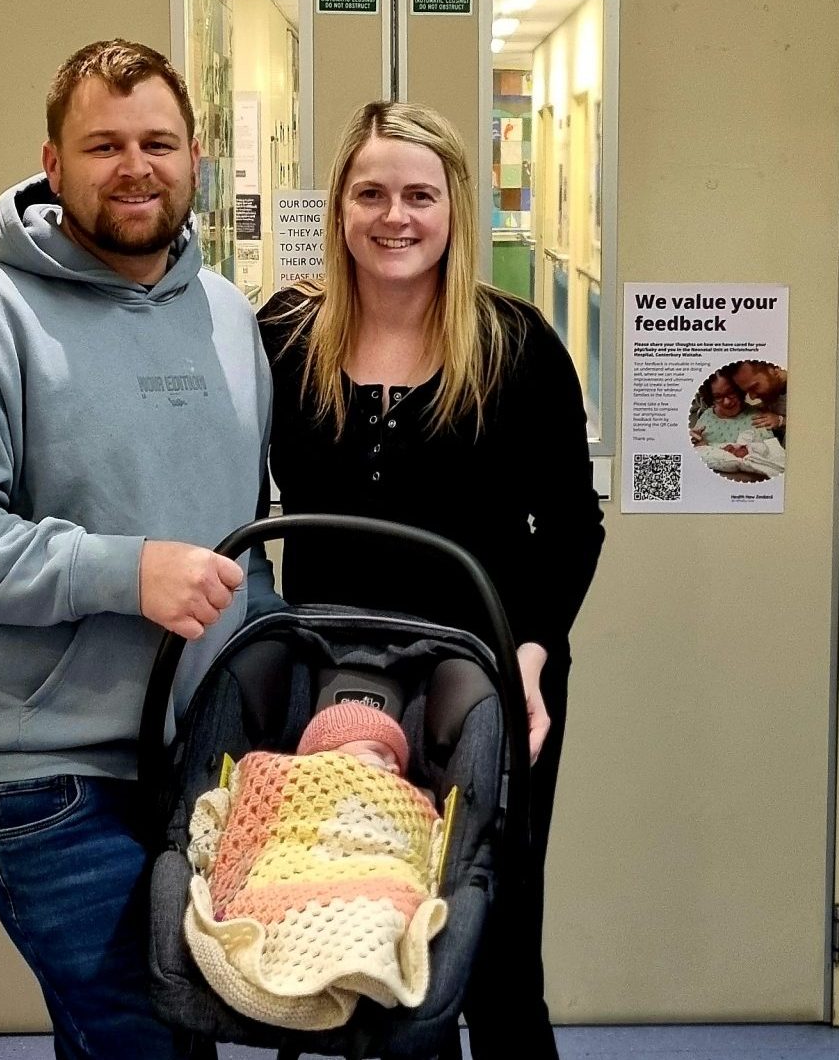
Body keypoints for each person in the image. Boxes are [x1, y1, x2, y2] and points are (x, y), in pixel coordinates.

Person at [0, 40, 280, 1060]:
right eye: (103, 143)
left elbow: (243, 530)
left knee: (127, 1037)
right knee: (149, 1041)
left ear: (198, 157)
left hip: (196, 756)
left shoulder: (227, 314)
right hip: (43, 772)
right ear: (53, 164)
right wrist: (123, 567)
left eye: (158, 141)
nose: (134, 165)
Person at [257, 101, 604, 1060]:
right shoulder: (284, 338)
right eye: (370, 192)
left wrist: (532, 650)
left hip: (493, 680)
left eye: (420, 194)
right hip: (337, 687)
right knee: (355, 934)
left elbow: (572, 525)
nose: (394, 216)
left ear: (455, 207)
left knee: (492, 953)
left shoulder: (516, 346)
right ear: (339, 207)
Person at [184, 700, 445, 1030]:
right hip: (293, 860)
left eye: (398, 764)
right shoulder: (290, 778)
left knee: (386, 906)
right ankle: (312, 953)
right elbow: (258, 826)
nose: (393, 770)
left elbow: (414, 847)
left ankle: (359, 962)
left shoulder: (406, 801)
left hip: (376, 870)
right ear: (327, 754)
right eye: (380, 754)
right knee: (266, 888)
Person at [730, 359, 788, 437]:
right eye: (747, 391)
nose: (752, 397)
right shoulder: (774, 392)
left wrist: (781, 421)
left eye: (754, 387)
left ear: (775, 371)